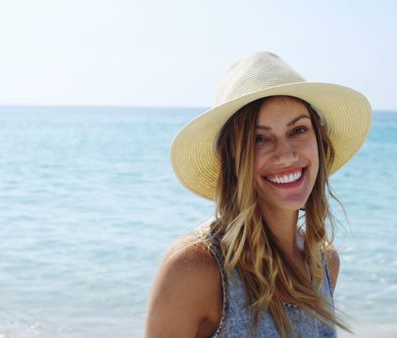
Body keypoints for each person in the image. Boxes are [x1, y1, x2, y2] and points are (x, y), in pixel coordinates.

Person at [145, 51, 372, 338]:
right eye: (259, 138)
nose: (286, 154)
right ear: (234, 158)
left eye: (298, 130)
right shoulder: (196, 268)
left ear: (320, 144)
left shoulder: (324, 263)